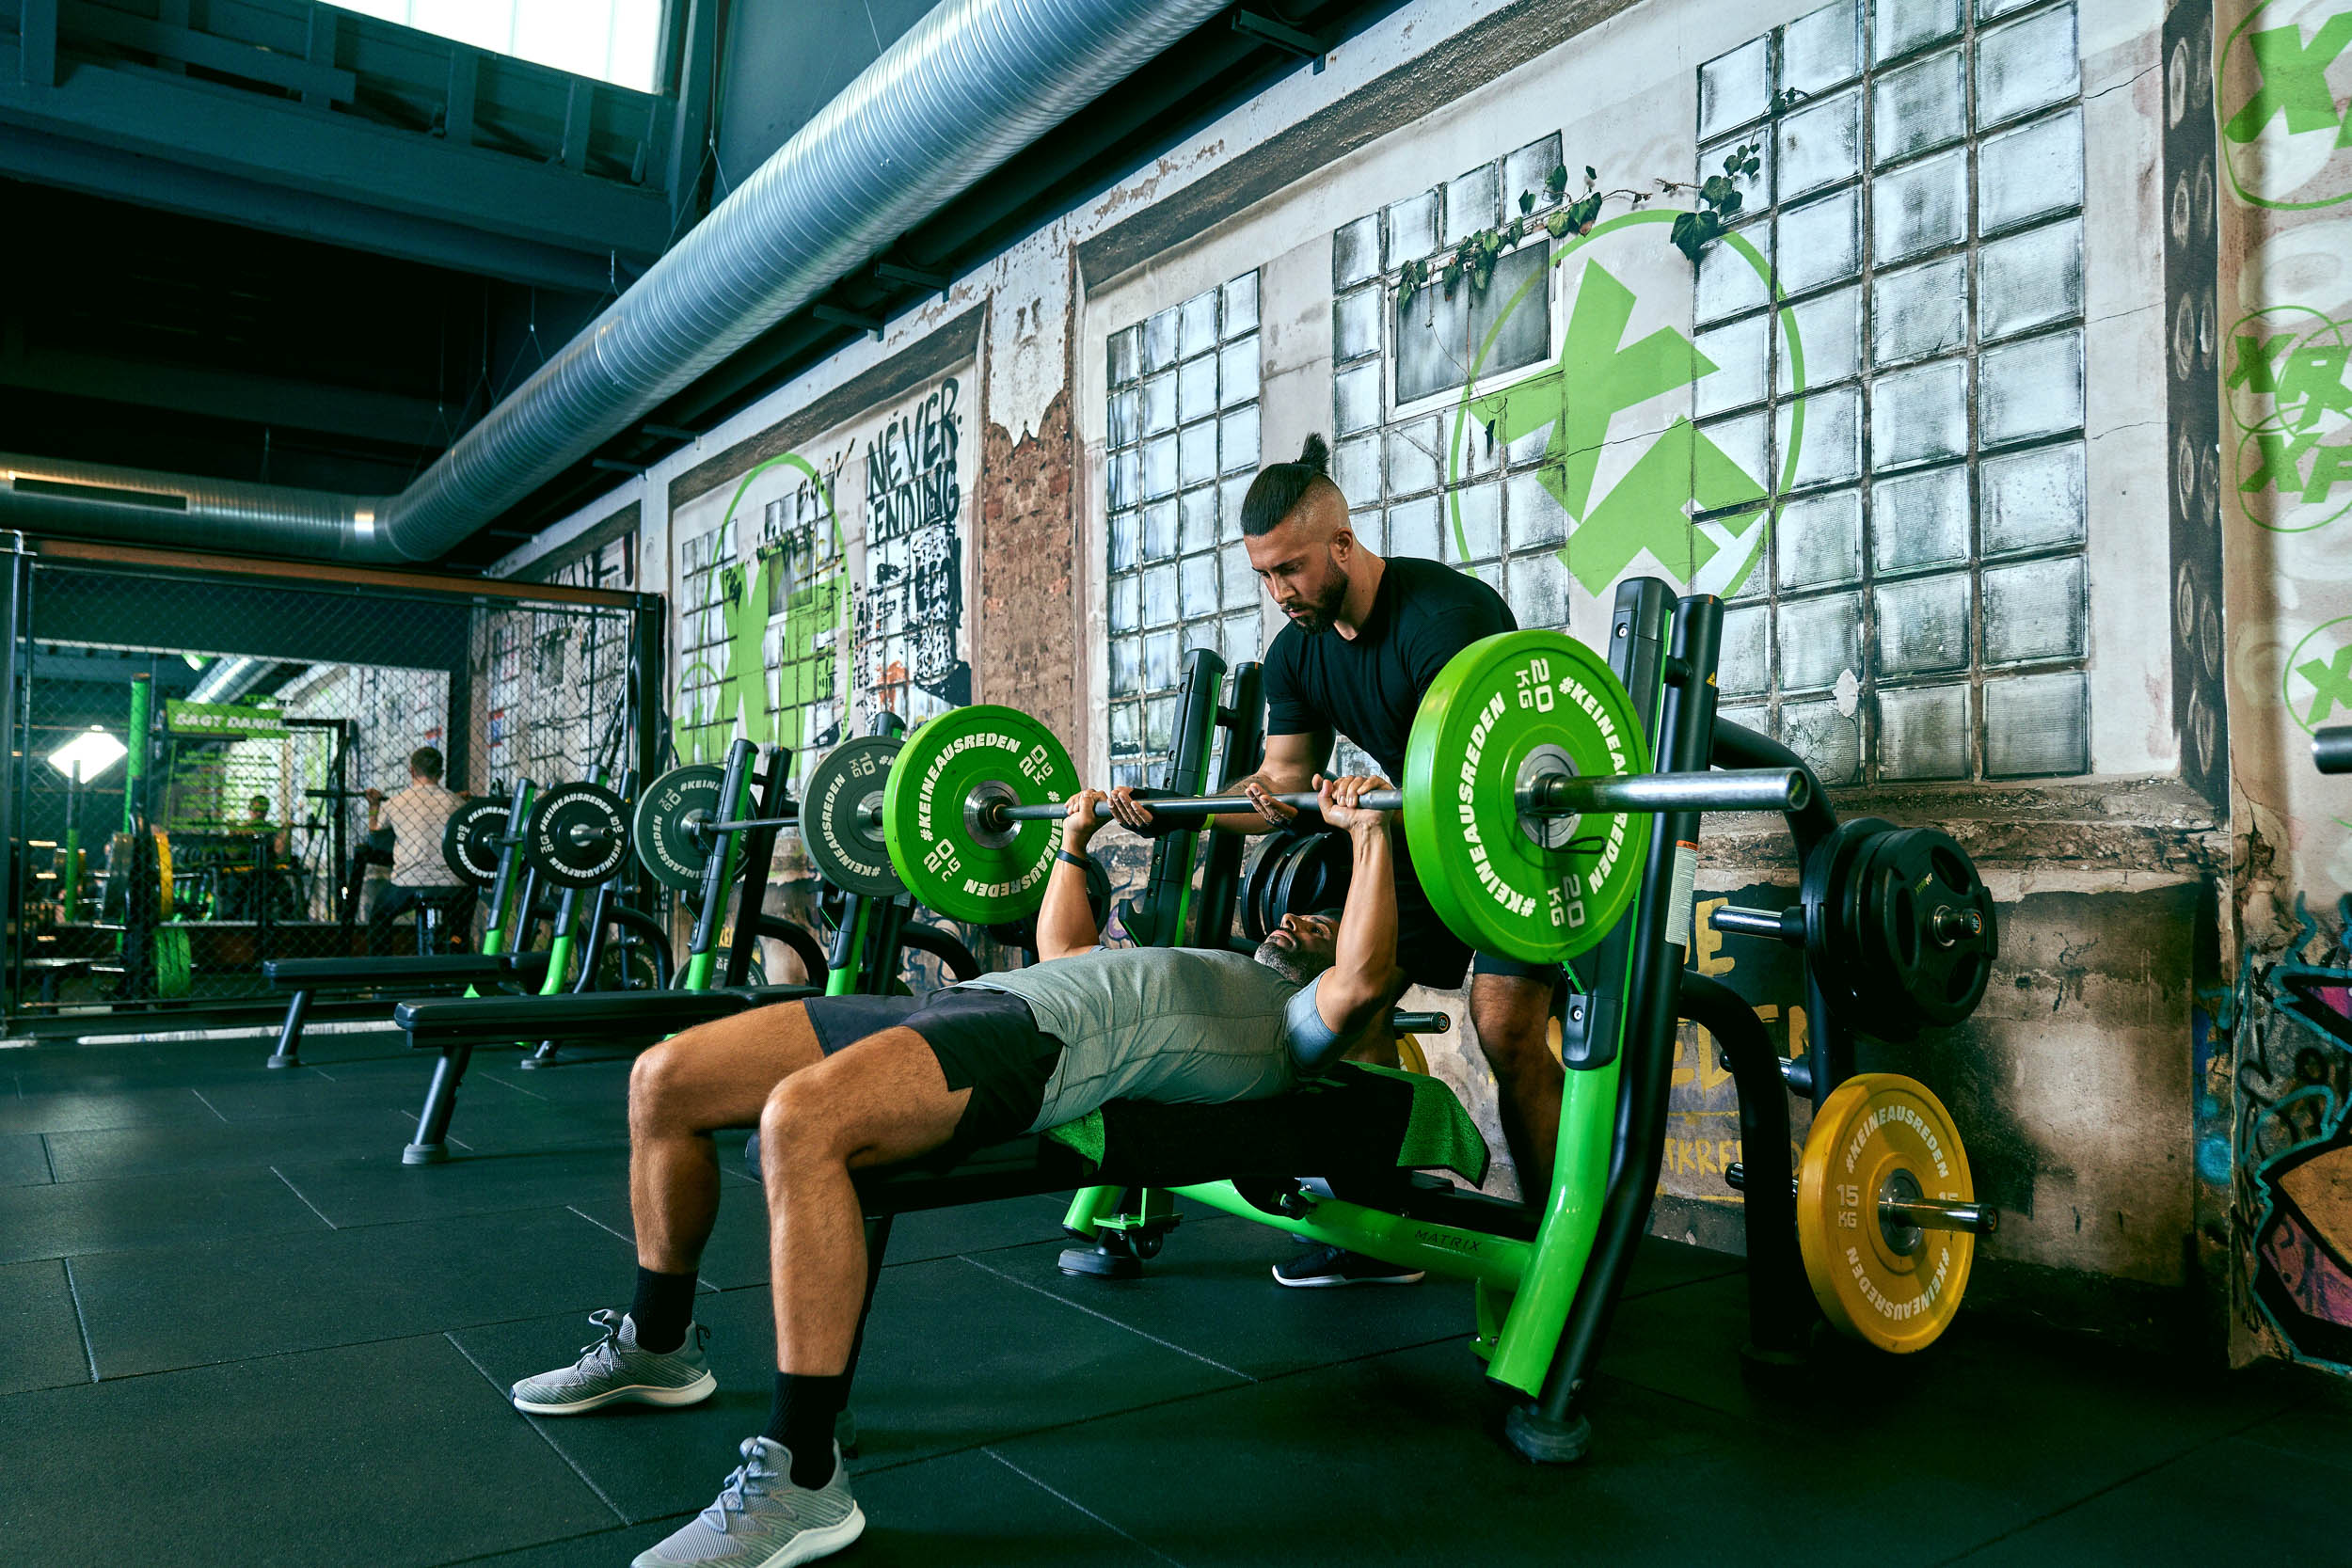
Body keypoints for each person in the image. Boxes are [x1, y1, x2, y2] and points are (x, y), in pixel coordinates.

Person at [508, 774, 1404, 1568]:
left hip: (1030, 1049)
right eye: (1295, 912)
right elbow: (1065, 949)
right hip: (971, 1003)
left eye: (1319, 924)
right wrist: (1074, 842)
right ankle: (658, 1345)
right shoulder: (1204, 963)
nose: (1295, 918)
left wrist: (1370, 835)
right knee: (664, 1076)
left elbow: (1365, 979)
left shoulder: (1291, 1030)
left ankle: (804, 1472)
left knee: (800, 1122)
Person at [1105, 432, 1559, 1289]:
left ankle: (1558, 1246)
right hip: (1424, 835)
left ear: (1343, 544)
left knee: (1505, 1029)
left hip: (1517, 837)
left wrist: (1365, 802)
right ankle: (1373, 1223)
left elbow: (1474, 764)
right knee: (1347, 999)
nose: (1280, 593)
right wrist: (1174, 817)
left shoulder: (1443, 619)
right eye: (1266, 576)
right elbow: (1276, 781)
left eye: (1293, 569)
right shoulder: (1297, 651)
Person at [364, 746, 471, 954]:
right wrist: (462, 803)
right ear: (440, 774)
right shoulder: (456, 802)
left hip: (408, 882)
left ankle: (380, 974)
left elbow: (375, 836)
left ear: (412, 771)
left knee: (380, 914)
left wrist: (374, 805)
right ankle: (459, 956)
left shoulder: (396, 802)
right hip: (452, 883)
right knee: (462, 913)